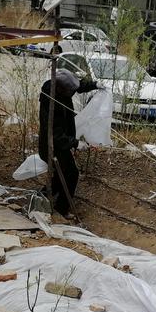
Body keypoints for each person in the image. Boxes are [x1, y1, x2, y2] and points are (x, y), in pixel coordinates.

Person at [38, 69, 98, 217]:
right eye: (69, 91)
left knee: (61, 174)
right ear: (60, 89)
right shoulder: (51, 103)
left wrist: (95, 84)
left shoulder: (59, 90)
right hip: (52, 146)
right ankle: (61, 208)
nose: (72, 93)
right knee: (71, 173)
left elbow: (78, 86)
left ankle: (42, 196)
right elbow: (55, 134)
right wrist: (75, 143)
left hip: (60, 143)